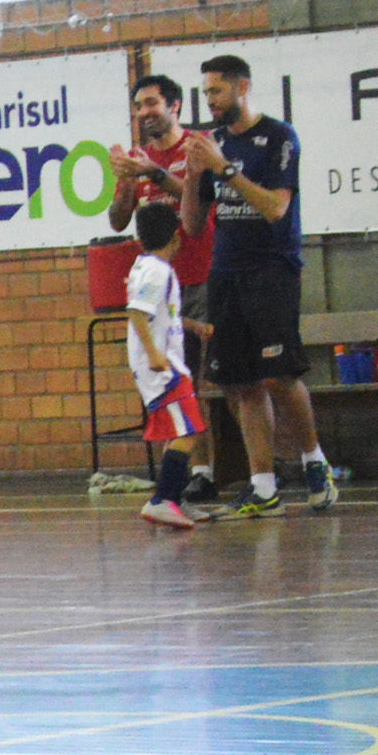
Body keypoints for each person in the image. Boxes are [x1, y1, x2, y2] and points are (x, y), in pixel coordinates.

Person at [184, 54, 335, 517]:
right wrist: (194, 176)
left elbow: (275, 208)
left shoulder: (278, 138)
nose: (209, 100)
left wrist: (226, 169)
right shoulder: (214, 144)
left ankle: (315, 462)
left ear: (241, 88)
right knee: (239, 382)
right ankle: (263, 486)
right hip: (226, 272)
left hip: (271, 269)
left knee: (279, 373)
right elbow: (191, 226)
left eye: (216, 91)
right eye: (206, 92)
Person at [107, 73, 217, 502]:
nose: (143, 112)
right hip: (161, 287)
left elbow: (198, 211)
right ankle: (197, 471)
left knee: (209, 379)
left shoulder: (197, 147)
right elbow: (118, 220)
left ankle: (223, 470)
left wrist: (155, 172)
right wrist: (130, 184)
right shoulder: (136, 159)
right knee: (180, 379)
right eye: (138, 105)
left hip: (202, 274)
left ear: (174, 105)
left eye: (151, 102)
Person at [122, 203, 208, 531]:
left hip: (163, 365)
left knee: (182, 430)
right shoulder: (158, 270)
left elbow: (160, 314)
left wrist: (192, 327)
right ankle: (161, 500)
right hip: (162, 368)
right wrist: (154, 355)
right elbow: (137, 311)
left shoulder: (145, 266)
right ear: (176, 236)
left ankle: (172, 498)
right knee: (188, 430)